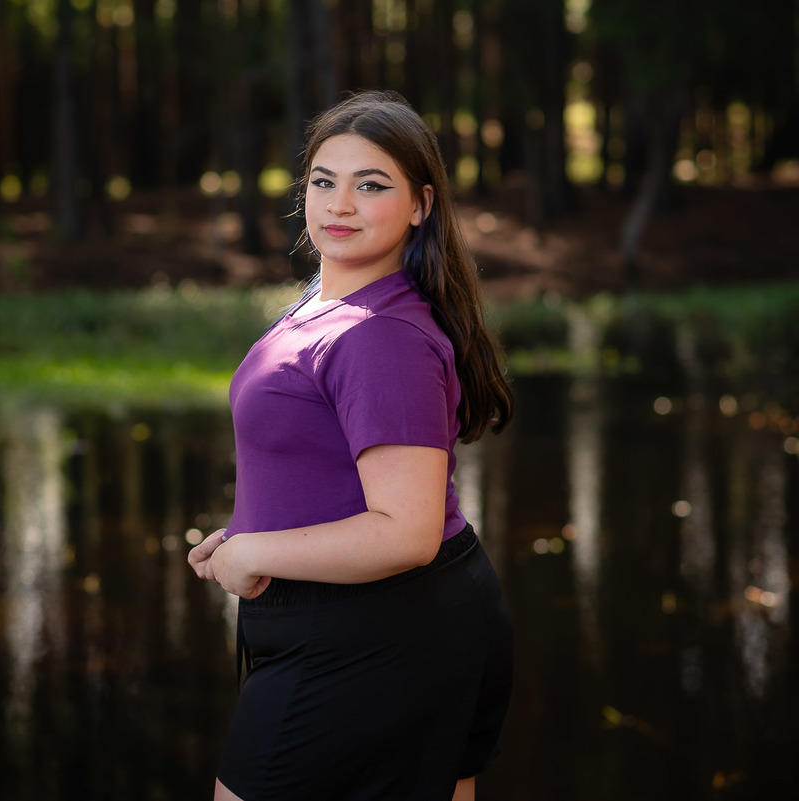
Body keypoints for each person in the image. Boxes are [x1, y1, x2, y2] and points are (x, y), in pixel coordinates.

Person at [187, 90, 515, 801]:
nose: (339, 204)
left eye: (370, 185)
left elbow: (407, 532)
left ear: (421, 205)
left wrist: (255, 551)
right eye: (323, 180)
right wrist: (247, 531)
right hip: (361, 619)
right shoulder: (325, 301)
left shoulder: (381, 338)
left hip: (379, 631)